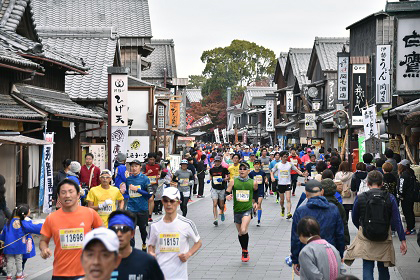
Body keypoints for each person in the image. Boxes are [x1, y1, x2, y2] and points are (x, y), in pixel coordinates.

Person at [344, 170, 407, 280]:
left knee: (367, 266)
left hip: (366, 235)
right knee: (383, 267)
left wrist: (362, 226)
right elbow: (397, 220)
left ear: (367, 183)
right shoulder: (390, 197)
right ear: (382, 183)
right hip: (384, 236)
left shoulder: (361, 197)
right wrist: (402, 239)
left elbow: (354, 217)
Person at [39, 179, 103, 279]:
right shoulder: (51, 218)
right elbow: (43, 240)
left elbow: (104, 235)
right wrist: (44, 249)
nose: (67, 195)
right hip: (60, 273)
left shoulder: (90, 213)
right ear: (59, 197)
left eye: (71, 191)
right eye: (63, 192)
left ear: (78, 195)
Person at [291, 180, 345, 274]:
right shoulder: (333, 209)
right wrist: (339, 255)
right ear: (322, 191)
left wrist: (295, 259)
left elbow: (296, 237)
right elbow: (340, 234)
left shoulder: (300, 211)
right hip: (329, 251)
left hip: (307, 252)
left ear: (306, 194)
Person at [148, 187, 202, 280]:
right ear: (162, 202)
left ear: (178, 202)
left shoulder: (187, 224)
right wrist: (151, 254)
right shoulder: (154, 225)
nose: (169, 204)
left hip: (179, 276)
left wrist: (188, 254)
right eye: (166, 201)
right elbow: (151, 245)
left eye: (172, 201)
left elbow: (198, 242)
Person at [108, 210, 164, 279]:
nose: (119, 234)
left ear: (132, 233)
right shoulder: (100, 262)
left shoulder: (147, 261)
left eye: (124, 229)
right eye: (114, 229)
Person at [226, 162, 258, 262]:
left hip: (247, 209)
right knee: (240, 232)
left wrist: (256, 202)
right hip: (237, 210)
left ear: (248, 171)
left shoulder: (253, 182)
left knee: (243, 229)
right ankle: (244, 249)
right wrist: (227, 195)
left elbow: (256, 192)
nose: (242, 170)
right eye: (241, 168)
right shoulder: (233, 181)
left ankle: (245, 251)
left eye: (244, 169)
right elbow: (227, 191)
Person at [0, 204, 42, 280]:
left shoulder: (8, 222)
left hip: (9, 246)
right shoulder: (23, 222)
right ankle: (19, 275)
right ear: (24, 214)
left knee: (10, 261)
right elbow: (33, 227)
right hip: (19, 246)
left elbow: (3, 234)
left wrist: (2, 241)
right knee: (19, 260)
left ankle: (9, 276)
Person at [121, 159, 151, 250]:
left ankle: (144, 243)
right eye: (132, 166)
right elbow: (128, 193)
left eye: (136, 166)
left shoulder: (145, 179)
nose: (134, 168)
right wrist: (124, 191)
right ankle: (132, 249)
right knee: (130, 229)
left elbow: (149, 194)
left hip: (142, 208)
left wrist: (137, 189)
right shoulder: (128, 179)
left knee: (142, 229)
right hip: (131, 208)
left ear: (140, 167)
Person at [271, 151, 306, 219]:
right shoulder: (278, 165)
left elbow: (297, 170)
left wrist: (302, 174)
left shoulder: (290, 164)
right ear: (281, 157)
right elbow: (272, 172)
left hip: (288, 183)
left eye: (286, 157)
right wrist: (272, 177)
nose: (285, 158)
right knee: (282, 200)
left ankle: (289, 213)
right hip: (281, 184)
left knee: (288, 199)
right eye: (284, 157)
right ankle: (282, 208)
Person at [321, 178, 350, 246]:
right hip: (335, 240)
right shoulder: (338, 205)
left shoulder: (318, 203)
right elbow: (344, 224)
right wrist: (345, 241)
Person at [209, 156, 230, 226]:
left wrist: (223, 179)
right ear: (214, 162)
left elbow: (228, 177)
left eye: (218, 161)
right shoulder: (211, 169)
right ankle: (215, 219)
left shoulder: (224, 169)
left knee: (221, 205)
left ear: (221, 162)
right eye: (216, 161)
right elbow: (211, 177)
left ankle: (222, 212)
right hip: (214, 188)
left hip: (222, 188)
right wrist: (209, 180)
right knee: (214, 204)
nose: (217, 162)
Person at [398, 159, 417, 235]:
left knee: (407, 212)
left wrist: (400, 194)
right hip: (411, 196)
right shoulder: (411, 173)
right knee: (410, 212)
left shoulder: (403, 175)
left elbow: (401, 187)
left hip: (405, 197)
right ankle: (412, 227)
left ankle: (410, 228)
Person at [141, 153, 162, 222]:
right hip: (145, 184)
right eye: (150, 159)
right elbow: (141, 175)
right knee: (146, 199)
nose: (151, 161)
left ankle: (149, 216)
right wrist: (147, 173)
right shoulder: (144, 165)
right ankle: (145, 213)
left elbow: (160, 173)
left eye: (153, 159)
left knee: (151, 199)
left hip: (153, 185)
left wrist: (159, 176)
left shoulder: (158, 165)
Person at [249, 159, 267, 226]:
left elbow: (265, 178)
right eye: (255, 164)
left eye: (258, 164)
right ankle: (254, 211)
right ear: (253, 165)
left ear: (260, 165)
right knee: (254, 204)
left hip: (260, 190)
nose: (257, 166)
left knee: (259, 205)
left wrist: (266, 180)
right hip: (253, 191)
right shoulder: (251, 174)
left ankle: (258, 220)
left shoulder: (262, 173)